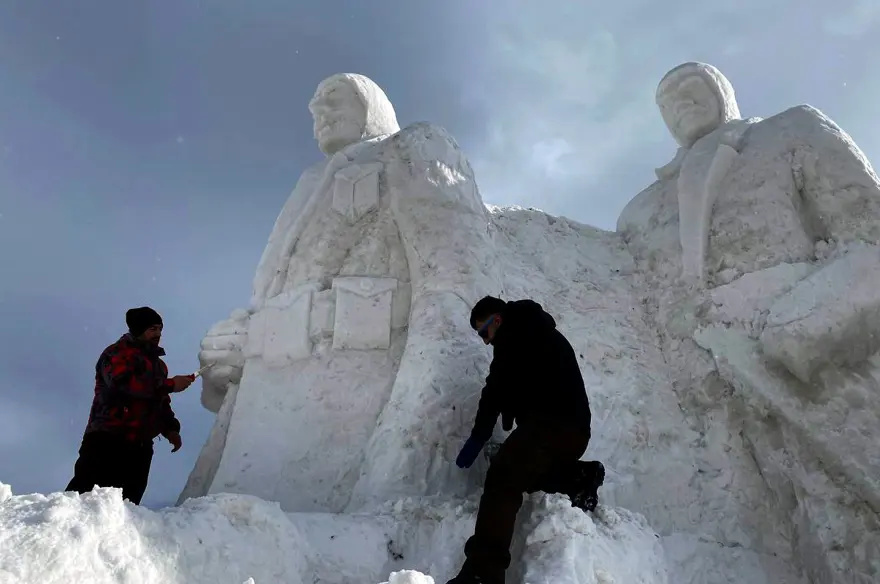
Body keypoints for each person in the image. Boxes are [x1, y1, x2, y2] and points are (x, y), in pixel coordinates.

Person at [447, 296, 605, 584]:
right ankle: (579, 477)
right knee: (525, 474)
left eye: (484, 333)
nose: (485, 341)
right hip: (574, 432)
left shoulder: (514, 337)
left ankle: (484, 572)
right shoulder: (534, 331)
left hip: (552, 425)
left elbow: (493, 392)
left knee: (503, 478)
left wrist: (478, 436)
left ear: (497, 320)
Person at [65, 307, 195, 505]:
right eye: (152, 329)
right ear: (138, 329)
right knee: (83, 500)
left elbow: (159, 401)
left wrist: (170, 428)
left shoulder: (159, 366)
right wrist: (170, 384)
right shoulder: (115, 353)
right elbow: (122, 385)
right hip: (107, 440)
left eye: (160, 329)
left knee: (125, 507)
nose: (158, 334)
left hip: (139, 447)